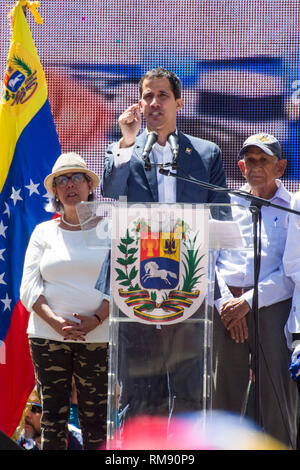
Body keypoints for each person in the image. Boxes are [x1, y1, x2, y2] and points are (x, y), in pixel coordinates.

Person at [99, 67, 230, 424]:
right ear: (139, 104)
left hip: (190, 287)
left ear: (179, 103)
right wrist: (127, 140)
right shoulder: (123, 150)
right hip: (134, 285)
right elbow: (109, 192)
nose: (154, 103)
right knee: (139, 390)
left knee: (188, 389)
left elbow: (222, 218)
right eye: (147, 96)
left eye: (163, 96)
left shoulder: (205, 153)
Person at [20, 152, 110, 450]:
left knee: (96, 419)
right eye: (62, 180)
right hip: (48, 337)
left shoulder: (109, 231)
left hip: (98, 337)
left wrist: (96, 319)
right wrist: (57, 323)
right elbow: (29, 288)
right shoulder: (43, 232)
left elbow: (121, 284)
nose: (70, 185)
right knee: (52, 420)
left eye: (76, 178)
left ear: (89, 185)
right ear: (55, 191)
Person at [213, 133, 298, 449]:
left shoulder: (293, 206)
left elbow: (292, 272)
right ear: (240, 166)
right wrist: (226, 303)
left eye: (264, 160)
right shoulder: (225, 202)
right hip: (225, 308)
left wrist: (246, 303)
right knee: (223, 397)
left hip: (272, 308)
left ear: (281, 167)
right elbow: (209, 260)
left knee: (276, 398)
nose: (256, 167)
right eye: (250, 160)